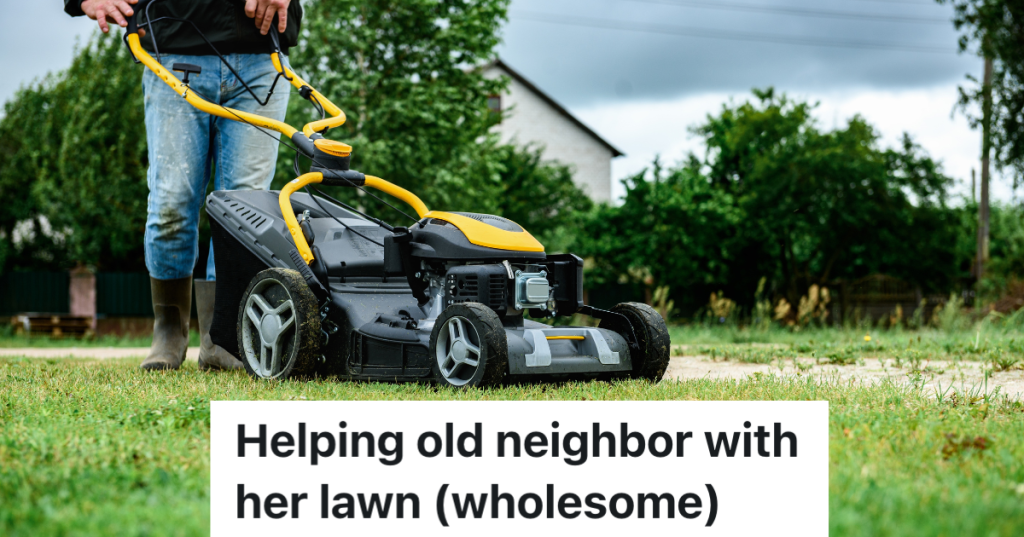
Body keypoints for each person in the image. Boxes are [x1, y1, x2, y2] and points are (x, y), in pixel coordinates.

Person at [64, 0, 302, 370]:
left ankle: (220, 338)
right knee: (171, 201)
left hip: (261, 58)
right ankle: (169, 331)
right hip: (172, 51)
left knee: (244, 212)